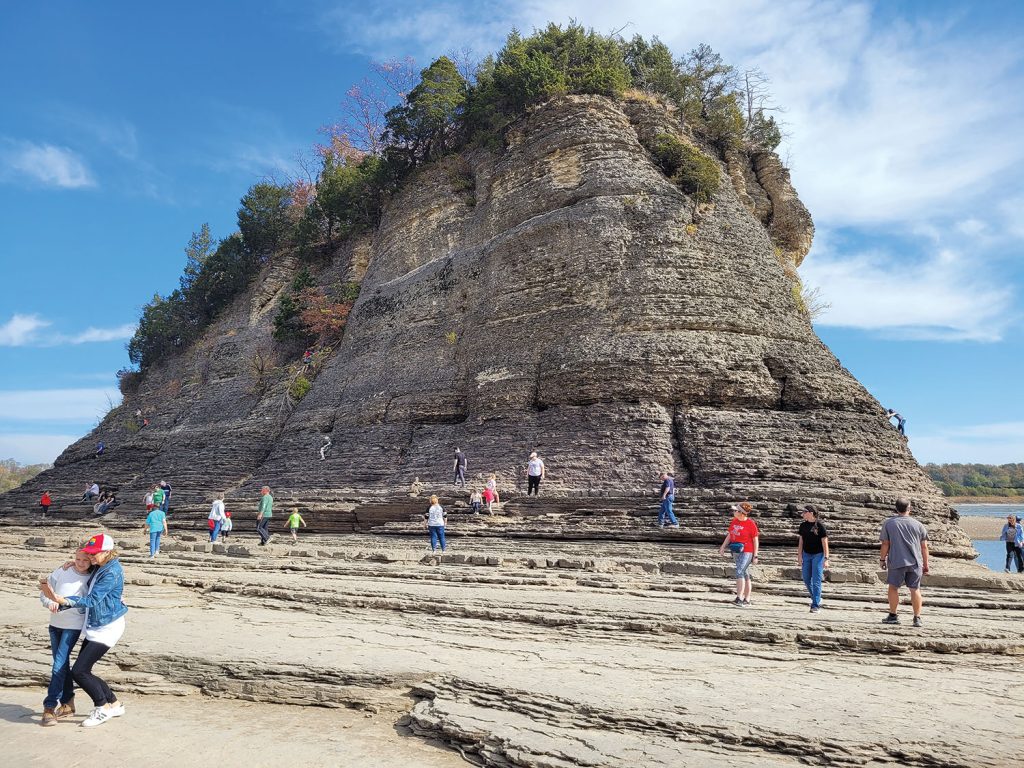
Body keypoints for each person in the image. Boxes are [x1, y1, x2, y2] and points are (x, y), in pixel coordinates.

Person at [40, 533, 128, 728]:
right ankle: (114, 703)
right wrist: (73, 562)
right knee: (83, 670)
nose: (91, 557)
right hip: (96, 624)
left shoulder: (111, 571)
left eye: (94, 554)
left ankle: (102, 708)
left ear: (107, 552)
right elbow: (83, 565)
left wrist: (66, 600)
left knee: (79, 671)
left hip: (108, 626)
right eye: (90, 553)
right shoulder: (102, 564)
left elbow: (91, 600)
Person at [38, 549, 93, 726]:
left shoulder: (92, 577)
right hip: (55, 625)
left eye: (85, 559)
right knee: (61, 665)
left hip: (73, 626)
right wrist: (50, 602)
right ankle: (68, 703)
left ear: (92, 560)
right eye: (77, 559)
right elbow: (46, 591)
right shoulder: (62, 570)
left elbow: (91, 600)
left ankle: (49, 707)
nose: (80, 562)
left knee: (58, 665)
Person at [879, 498, 929, 627]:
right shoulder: (918, 525)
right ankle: (917, 618)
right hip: (915, 562)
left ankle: (893, 615)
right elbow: (924, 547)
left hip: (896, 561)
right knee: (915, 589)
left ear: (896, 509)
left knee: (893, 587)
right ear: (909, 509)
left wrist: (882, 559)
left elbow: (885, 544)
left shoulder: (889, 524)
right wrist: (926, 564)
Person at [718, 502, 759, 607]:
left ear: (741, 513)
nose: (734, 512)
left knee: (739, 571)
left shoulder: (751, 524)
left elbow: (755, 540)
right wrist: (723, 547)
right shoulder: (734, 521)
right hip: (736, 550)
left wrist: (755, 556)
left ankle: (739, 598)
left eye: (736, 510)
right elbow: (730, 535)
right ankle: (747, 599)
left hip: (747, 551)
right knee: (745, 574)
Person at [797, 505, 831, 612]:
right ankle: (816, 598)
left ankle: (815, 605)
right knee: (806, 578)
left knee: (816, 580)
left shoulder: (820, 526)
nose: (802, 513)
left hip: (818, 555)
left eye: (804, 512)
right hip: (806, 554)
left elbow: (825, 542)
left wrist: (826, 558)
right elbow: (801, 541)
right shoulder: (803, 525)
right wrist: (799, 555)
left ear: (811, 513)